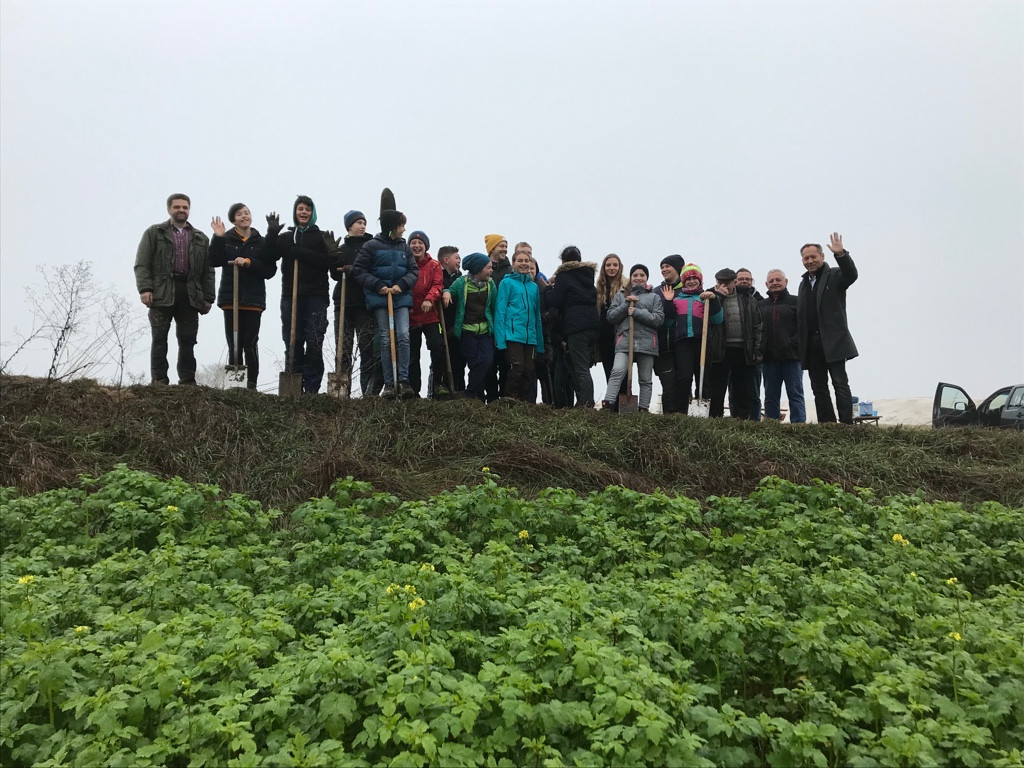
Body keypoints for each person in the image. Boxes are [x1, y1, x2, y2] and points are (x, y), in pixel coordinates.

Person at [134, 193, 214, 385]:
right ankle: (159, 380)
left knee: (188, 340)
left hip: (190, 293)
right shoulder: (155, 233)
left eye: (185, 207)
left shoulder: (201, 238)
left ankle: (187, 380)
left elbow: (208, 270)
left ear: (189, 210)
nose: (181, 210)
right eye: (177, 207)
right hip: (161, 292)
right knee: (159, 338)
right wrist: (145, 289)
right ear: (169, 209)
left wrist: (208, 297)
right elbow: (142, 263)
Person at [267, 195, 337, 395]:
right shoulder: (287, 238)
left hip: (316, 296)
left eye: (307, 209)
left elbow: (328, 264)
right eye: (300, 209)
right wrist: (272, 234)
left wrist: (302, 253)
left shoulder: (321, 237)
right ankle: (293, 384)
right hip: (291, 296)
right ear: (295, 212)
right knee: (293, 340)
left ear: (312, 212)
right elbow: (268, 257)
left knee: (314, 341)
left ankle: (312, 388)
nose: (304, 212)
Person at [208, 203, 278, 389]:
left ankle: (251, 385)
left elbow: (269, 270)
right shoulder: (227, 239)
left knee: (250, 343)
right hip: (231, 299)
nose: (244, 216)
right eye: (239, 214)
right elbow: (214, 260)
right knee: (234, 343)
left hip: (253, 300)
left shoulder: (259, 241)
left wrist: (248, 262)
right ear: (233, 220)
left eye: (247, 213)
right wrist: (218, 237)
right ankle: (235, 384)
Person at [352, 209, 419, 398]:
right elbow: (360, 269)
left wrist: (401, 284)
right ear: (393, 227)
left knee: (404, 336)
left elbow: (413, 271)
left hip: (401, 298)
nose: (404, 229)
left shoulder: (404, 248)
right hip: (380, 299)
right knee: (385, 338)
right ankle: (389, 383)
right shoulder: (371, 246)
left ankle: (404, 381)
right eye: (401, 225)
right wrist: (378, 285)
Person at [797, 233, 859, 424]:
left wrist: (841, 254)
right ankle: (828, 425)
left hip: (833, 341)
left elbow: (851, 275)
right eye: (806, 258)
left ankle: (846, 423)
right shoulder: (803, 284)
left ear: (822, 257)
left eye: (813, 257)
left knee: (840, 383)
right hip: (812, 343)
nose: (810, 261)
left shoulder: (834, 275)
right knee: (818, 387)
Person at [657, 258, 723, 414]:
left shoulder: (705, 298)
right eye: (688, 279)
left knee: (703, 378)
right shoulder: (677, 300)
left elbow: (718, 319)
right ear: (683, 281)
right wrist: (668, 303)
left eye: (695, 278)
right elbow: (668, 322)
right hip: (683, 343)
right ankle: (682, 411)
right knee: (685, 378)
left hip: (702, 342)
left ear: (700, 280)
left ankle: (703, 411)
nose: (692, 281)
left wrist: (713, 301)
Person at [600, 264, 664, 412]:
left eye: (642, 275)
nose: (638, 278)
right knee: (617, 371)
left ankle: (643, 408)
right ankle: (608, 404)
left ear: (646, 277)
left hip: (647, 342)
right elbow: (611, 317)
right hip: (625, 339)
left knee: (645, 378)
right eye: (635, 275)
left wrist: (636, 312)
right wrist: (626, 305)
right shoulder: (621, 295)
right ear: (631, 277)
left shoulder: (654, 297)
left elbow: (658, 319)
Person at [331, 210, 380, 398]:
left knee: (366, 347)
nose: (362, 226)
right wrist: (333, 257)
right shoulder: (342, 248)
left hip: (363, 303)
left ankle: (367, 390)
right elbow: (334, 274)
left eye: (364, 223)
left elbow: (372, 269)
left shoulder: (370, 246)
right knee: (343, 347)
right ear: (349, 226)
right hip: (343, 301)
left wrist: (356, 269)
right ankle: (342, 392)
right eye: (359, 222)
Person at [544, 245, 599, 408]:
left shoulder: (564, 276)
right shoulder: (587, 275)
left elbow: (556, 300)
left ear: (563, 261)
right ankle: (583, 398)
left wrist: (547, 288)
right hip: (593, 324)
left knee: (580, 366)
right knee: (575, 363)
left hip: (577, 326)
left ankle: (586, 402)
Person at [706, 267, 762, 419]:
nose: (724, 286)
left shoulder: (748, 298)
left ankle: (741, 420)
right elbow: (710, 320)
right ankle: (715, 420)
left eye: (727, 283)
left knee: (742, 390)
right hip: (720, 350)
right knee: (717, 389)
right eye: (720, 283)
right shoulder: (711, 297)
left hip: (743, 350)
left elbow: (757, 325)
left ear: (735, 282)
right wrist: (719, 297)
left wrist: (756, 349)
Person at [442, 253, 497, 402]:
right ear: (478, 269)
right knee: (474, 364)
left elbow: (493, 308)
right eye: (488, 268)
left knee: (486, 361)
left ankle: (470, 393)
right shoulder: (462, 283)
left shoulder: (490, 284)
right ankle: (477, 399)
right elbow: (448, 291)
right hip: (467, 332)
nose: (491, 271)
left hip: (485, 331)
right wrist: (446, 292)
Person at [494, 247, 544, 401]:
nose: (524, 264)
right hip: (513, 335)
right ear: (513, 263)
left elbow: (537, 316)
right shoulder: (506, 283)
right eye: (520, 260)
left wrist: (539, 343)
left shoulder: (533, 287)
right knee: (516, 368)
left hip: (530, 337)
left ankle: (526, 405)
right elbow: (500, 311)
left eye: (527, 261)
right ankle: (510, 402)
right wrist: (500, 340)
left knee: (529, 371)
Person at [760, 269, 806, 422]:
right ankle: (771, 428)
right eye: (771, 281)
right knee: (771, 396)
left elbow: (803, 327)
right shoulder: (761, 305)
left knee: (795, 394)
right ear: (766, 284)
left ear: (786, 282)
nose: (774, 283)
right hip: (769, 359)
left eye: (778, 280)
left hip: (792, 358)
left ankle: (798, 427)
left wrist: (793, 343)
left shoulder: (797, 301)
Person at [407, 230, 447, 397]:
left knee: (438, 347)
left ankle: (437, 384)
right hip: (410, 315)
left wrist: (430, 299)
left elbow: (438, 285)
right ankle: (414, 390)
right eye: (413, 243)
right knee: (412, 354)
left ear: (425, 246)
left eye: (420, 243)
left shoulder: (434, 265)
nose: (416, 246)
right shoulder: (405, 264)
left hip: (431, 315)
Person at [596, 253, 628, 409]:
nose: (611, 268)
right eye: (608, 265)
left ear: (620, 267)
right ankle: (612, 406)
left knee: (621, 371)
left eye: (615, 265)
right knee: (609, 370)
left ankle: (623, 405)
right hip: (604, 336)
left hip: (621, 334)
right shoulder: (599, 288)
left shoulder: (626, 287)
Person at [732, 267, 764, 419]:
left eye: (748, 279)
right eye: (741, 279)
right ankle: (736, 420)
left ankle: (755, 421)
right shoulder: (729, 299)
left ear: (752, 282)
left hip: (752, 353)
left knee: (753, 390)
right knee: (734, 390)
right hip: (733, 351)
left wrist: (757, 350)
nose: (744, 281)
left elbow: (759, 328)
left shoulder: (759, 300)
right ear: (735, 281)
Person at [435, 245, 465, 394]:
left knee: (459, 359)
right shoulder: (438, 278)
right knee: (441, 358)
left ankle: (459, 389)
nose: (459, 261)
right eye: (457, 257)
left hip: (458, 325)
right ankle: (439, 388)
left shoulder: (462, 279)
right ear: (446, 260)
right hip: (442, 324)